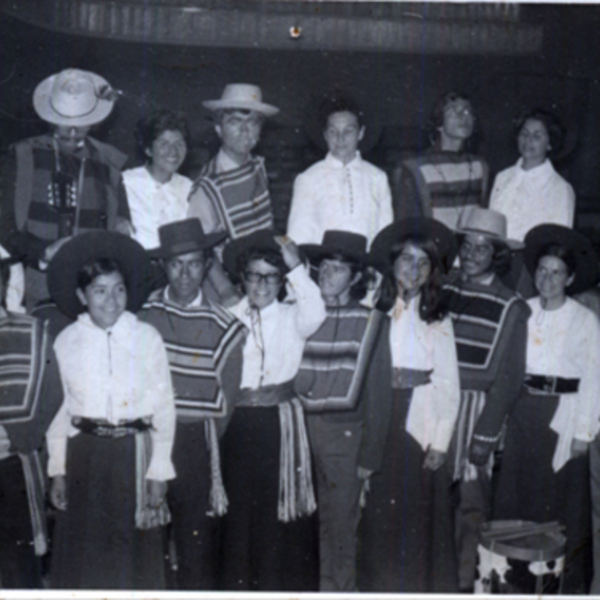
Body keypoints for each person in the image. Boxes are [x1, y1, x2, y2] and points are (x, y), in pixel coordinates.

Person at [45, 231, 175, 590]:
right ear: (82, 296)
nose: (112, 300)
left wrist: (158, 471)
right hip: (85, 458)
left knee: (135, 562)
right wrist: (57, 470)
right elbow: (60, 412)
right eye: (99, 291)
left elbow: (164, 408)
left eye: (118, 289)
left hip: (133, 456)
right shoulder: (66, 341)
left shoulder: (146, 337)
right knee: (87, 560)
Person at [138, 218, 246, 590]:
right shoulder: (143, 315)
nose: (185, 274)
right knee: (147, 536)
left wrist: (199, 439)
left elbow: (227, 402)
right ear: (162, 266)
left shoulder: (224, 325)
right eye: (175, 264)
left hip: (195, 441)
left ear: (206, 265)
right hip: (146, 440)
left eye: (195, 263)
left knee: (195, 541)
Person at [218, 229, 326, 591]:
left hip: (281, 426)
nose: (262, 284)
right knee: (240, 514)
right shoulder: (226, 317)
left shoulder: (295, 316)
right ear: (242, 278)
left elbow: (317, 309)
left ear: (281, 281)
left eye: (271, 276)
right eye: (254, 275)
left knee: (280, 514)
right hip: (237, 424)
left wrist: (296, 267)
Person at [494, 224, 599, 594]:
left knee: (558, 504)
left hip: (562, 416)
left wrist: (584, 433)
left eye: (557, 272)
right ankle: (515, 582)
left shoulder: (585, 320)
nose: (547, 278)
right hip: (523, 412)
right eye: (542, 270)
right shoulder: (522, 310)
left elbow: (593, 377)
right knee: (517, 499)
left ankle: (559, 586)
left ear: (569, 278)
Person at [358, 218, 460, 592]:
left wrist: (440, 442)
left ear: (432, 271)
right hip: (377, 416)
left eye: (423, 264)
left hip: (418, 420)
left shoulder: (437, 316)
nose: (413, 271)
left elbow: (449, 383)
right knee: (377, 512)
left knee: (415, 514)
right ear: (392, 263)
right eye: (406, 261)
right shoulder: (371, 306)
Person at [295, 230, 389, 591]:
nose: (327, 275)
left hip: (344, 435)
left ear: (356, 277)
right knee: (312, 520)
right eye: (324, 267)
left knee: (341, 525)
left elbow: (379, 395)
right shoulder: (304, 315)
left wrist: (370, 454)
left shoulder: (370, 321)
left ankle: (341, 591)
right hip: (303, 431)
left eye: (338, 269)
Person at [443, 207, 530, 591]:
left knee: (471, 506)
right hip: (433, 407)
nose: (474, 254)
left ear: (497, 254)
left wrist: (485, 435)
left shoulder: (512, 306)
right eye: (469, 245)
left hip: (474, 413)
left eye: (484, 248)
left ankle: (463, 584)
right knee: (431, 501)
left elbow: (509, 380)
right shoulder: (443, 289)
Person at [0, 69, 132, 310]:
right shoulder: (21, 155)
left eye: (81, 123)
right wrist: (43, 251)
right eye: (64, 122)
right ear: (49, 118)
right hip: (34, 288)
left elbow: (120, 228)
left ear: (94, 120)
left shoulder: (110, 162)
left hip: (93, 293)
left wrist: (121, 223)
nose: (72, 131)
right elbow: (4, 227)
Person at [0, 257, 62, 588]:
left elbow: (53, 394)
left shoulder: (32, 332)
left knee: (16, 571)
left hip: (13, 467)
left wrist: (20, 436)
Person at [187, 83, 279, 306]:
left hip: (263, 282)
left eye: (252, 122)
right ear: (218, 129)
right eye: (234, 122)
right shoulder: (208, 185)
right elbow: (201, 247)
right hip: (228, 291)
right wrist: (227, 291)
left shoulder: (258, 167)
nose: (245, 130)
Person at [286, 96, 393, 247]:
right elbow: (298, 236)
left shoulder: (378, 177)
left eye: (348, 131)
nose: (340, 139)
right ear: (324, 135)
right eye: (333, 132)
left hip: (365, 266)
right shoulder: (308, 178)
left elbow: (385, 234)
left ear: (361, 133)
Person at [391, 92, 488, 229]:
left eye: (467, 111)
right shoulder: (415, 167)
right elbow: (406, 225)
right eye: (453, 112)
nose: (462, 117)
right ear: (439, 124)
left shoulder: (480, 166)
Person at [489, 108, 575, 242]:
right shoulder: (502, 177)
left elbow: (558, 242)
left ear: (550, 144)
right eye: (524, 133)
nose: (528, 140)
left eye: (537, 136)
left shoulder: (561, 189)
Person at [123, 109, 192, 250]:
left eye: (179, 144)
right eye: (164, 144)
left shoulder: (189, 187)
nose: (173, 152)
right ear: (148, 149)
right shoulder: (126, 182)